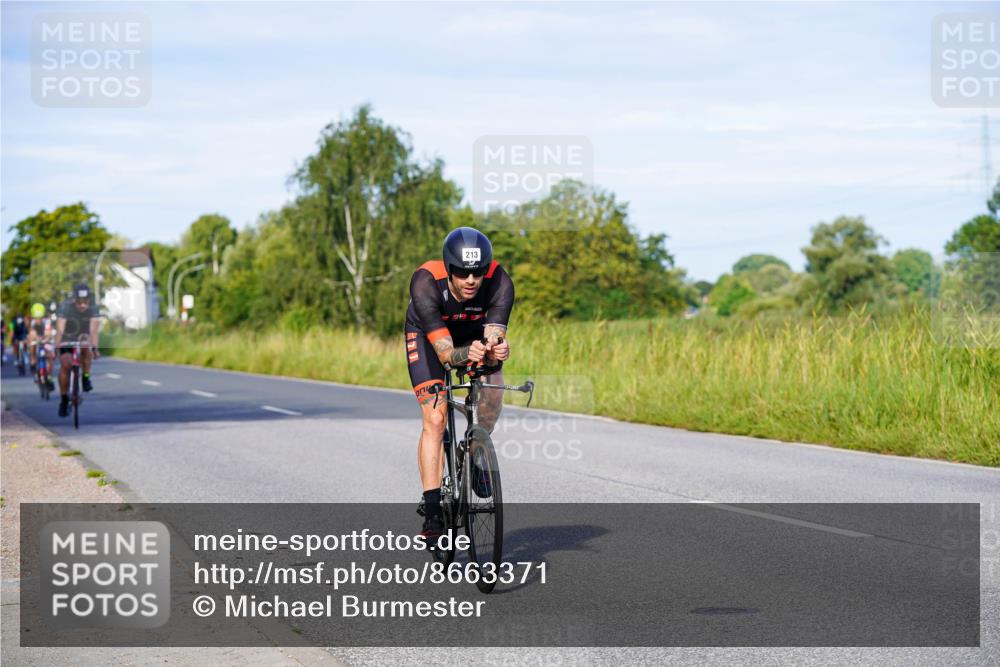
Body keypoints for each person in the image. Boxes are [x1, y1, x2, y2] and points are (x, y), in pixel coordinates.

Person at [405, 227, 514, 539]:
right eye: (463, 273)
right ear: (449, 268)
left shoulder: (499, 282)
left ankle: (475, 450)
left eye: (478, 273)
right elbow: (447, 356)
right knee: (436, 417)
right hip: (431, 338)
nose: (471, 280)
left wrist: (495, 352)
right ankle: (433, 511)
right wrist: (468, 353)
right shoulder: (426, 282)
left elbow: (493, 341)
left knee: (492, 397)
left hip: (472, 334)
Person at [54, 283, 101, 417]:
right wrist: (56, 347)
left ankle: (86, 377)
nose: (83, 305)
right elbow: (60, 329)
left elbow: (94, 331)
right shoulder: (65, 307)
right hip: (67, 336)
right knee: (65, 365)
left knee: (86, 345)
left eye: (85, 301)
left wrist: (95, 348)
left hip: (83, 334)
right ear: (74, 299)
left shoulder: (93, 308)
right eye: (79, 302)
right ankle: (63, 400)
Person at [28, 302, 55, 390]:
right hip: (36, 341)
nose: (38, 319)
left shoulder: (47, 321)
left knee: (50, 355)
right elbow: (32, 334)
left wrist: (46, 339)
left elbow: (48, 332)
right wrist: (35, 340)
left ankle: (49, 377)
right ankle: (33, 360)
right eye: (36, 317)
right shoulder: (32, 323)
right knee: (32, 345)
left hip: (46, 341)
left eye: (40, 317)